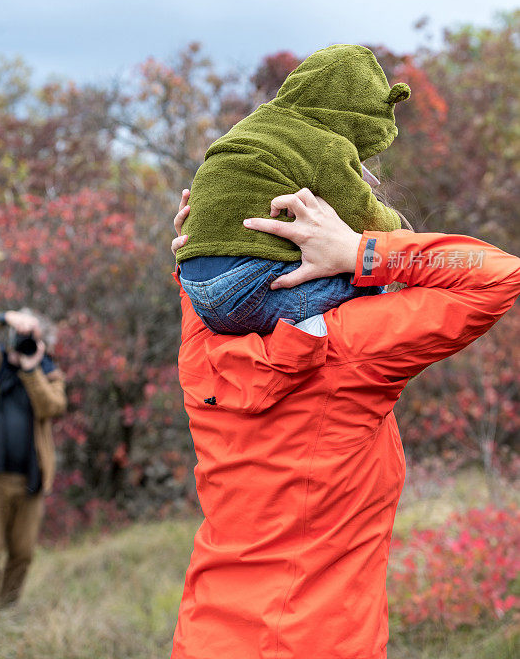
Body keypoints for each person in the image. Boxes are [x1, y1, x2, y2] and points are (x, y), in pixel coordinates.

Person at [170, 188, 520, 659]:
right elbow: (498, 277)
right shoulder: (350, 350)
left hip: (205, 638)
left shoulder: (201, 355)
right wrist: (361, 251)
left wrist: (197, 251)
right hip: (317, 644)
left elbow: (211, 298)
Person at [175, 44, 412, 334]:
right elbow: (366, 218)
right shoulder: (326, 144)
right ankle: (313, 332)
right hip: (251, 285)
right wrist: (400, 228)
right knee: (371, 282)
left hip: (195, 288)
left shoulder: (254, 125)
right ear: (359, 116)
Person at [0, 308, 67, 609]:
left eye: (32, 338)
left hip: (31, 480)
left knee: (23, 554)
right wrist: (6, 317)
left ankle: (4, 614)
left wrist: (31, 369)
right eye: (20, 335)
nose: (23, 341)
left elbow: (53, 407)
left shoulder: (47, 371)